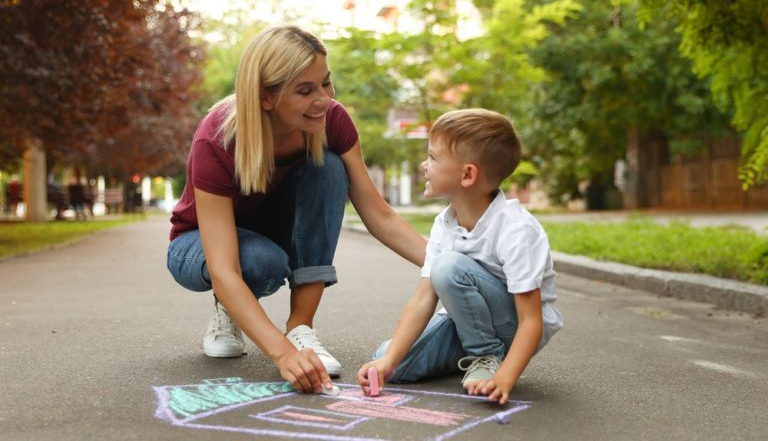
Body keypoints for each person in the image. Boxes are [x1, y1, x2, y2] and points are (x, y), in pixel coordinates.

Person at [166, 25, 426, 395]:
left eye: (326, 83)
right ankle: (230, 309)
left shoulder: (332, 121)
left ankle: (301, 327)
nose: (323, 99)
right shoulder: (218, 138)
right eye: (305, 91)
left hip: (272, 238)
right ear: (266, 98)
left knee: (330, 168)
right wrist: (282, 355)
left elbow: (379, 214)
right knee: (261, 262)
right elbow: (225, 268)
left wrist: (450, 265)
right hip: (197, 247)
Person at [356, 108, 563, 405]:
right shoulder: (446, 222)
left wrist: (505, 378)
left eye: (433, 157)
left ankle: (487, 355)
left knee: (449, 266)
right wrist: (388, 361)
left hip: (512, 326)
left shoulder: (516, 229)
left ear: (467, 174)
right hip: (467, 317)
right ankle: (472, 355)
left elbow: (531, 320)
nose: (424, 164)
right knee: (391, 362)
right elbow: (423, 298)